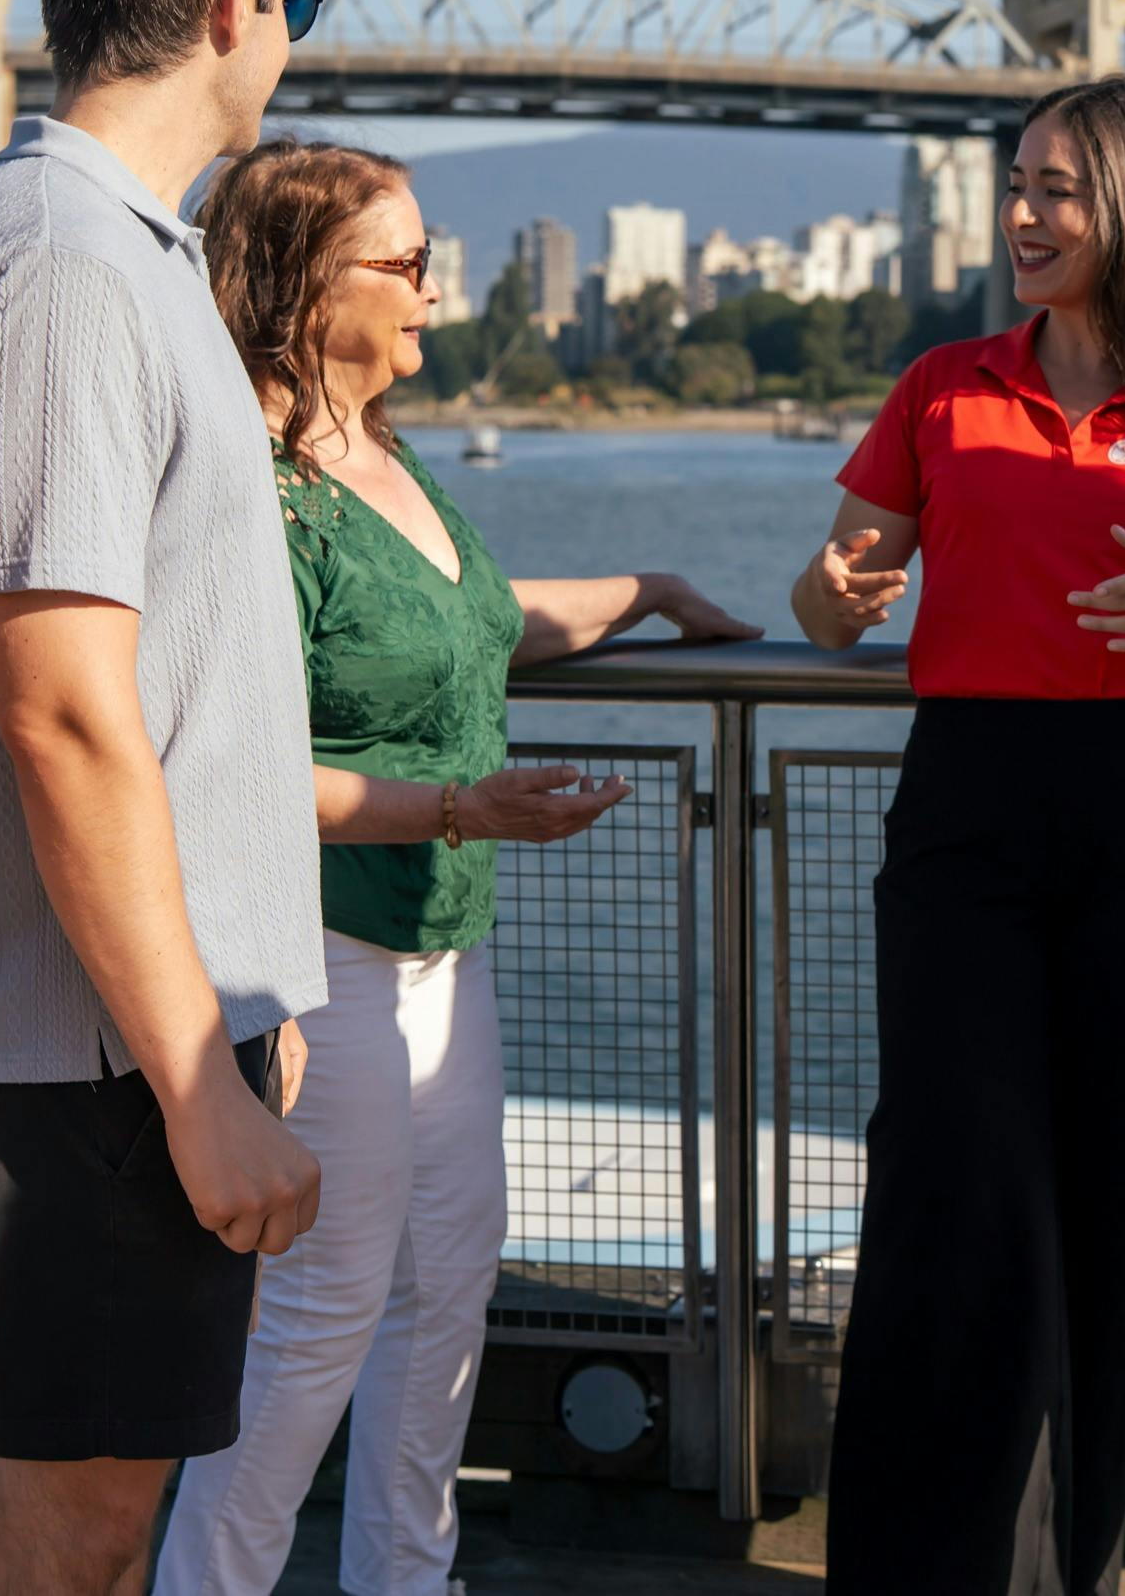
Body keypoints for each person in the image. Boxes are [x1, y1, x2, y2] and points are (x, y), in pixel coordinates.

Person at [155, 139, 758, 1596]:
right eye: (405, 262)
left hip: (442, 954)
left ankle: (405, 1582)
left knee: (444, 1301)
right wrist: (457, 810)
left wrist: (655, 592)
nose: (437, 288)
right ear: (307, 284)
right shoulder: (250, 484)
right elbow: (215, 769)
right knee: (316, 1317)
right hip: (320, 957)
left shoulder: (379, 449)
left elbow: (470, 618)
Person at [795, 74, 1125, 1593]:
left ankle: (1067, 1568)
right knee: (953, 1190)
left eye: (1059, 190)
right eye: (1017, 182)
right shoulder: (944, 384)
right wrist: (835, 599)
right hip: (965, 807)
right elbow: (828, 584)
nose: (1023, 213)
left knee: (1119, 1200)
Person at [0, 0, 334, 1596]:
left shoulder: (137, 253)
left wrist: (250, 985)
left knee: (117, 1504)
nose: (294, 34)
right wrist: (193, 1072)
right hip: (86, 1052)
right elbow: (62, 713)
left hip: (143, 1027)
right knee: (76, 1512)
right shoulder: (66, 265)